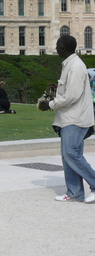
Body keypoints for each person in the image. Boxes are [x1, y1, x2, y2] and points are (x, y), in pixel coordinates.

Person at [38, 35, 95, 203]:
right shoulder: (70, 65)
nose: (55, 48)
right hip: (70, 117)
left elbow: (72, 96)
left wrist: (50, 104)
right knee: (68, 155)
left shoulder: (75, 66)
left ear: (63, 48)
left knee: (71, 154)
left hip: (75, 118)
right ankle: (74, 192)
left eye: (57, 45)